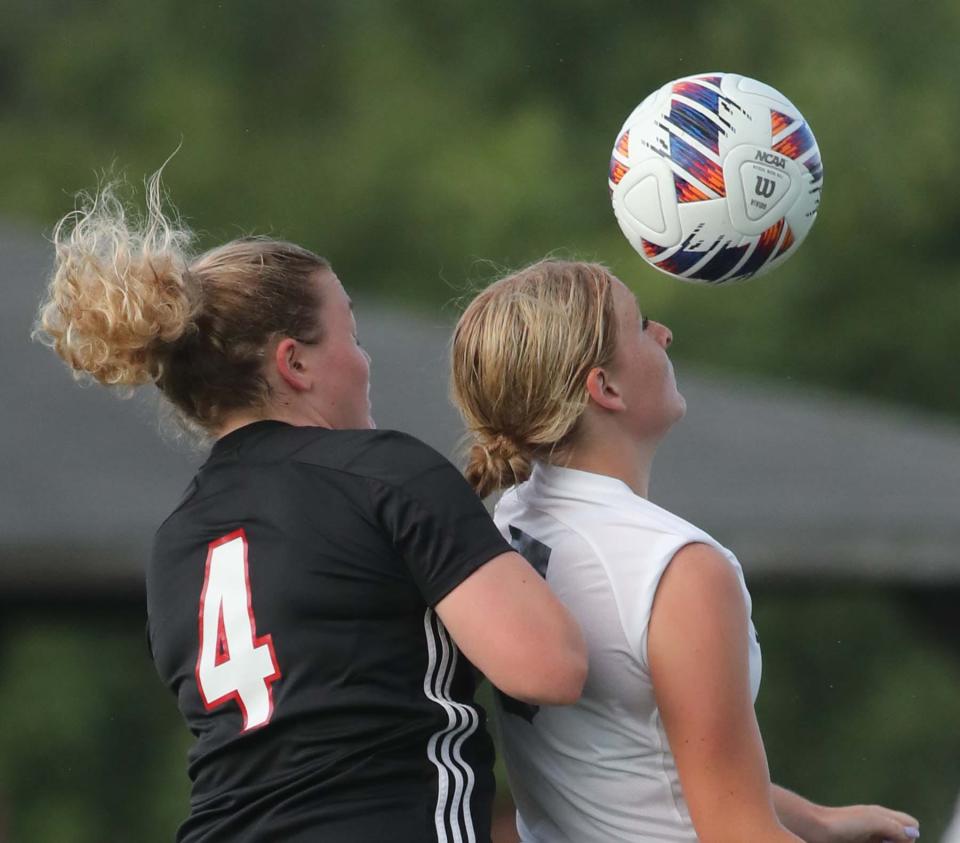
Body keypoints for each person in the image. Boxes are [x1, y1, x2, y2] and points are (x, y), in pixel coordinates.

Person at [35, 175, 587, 843]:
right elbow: (548, 667)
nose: (364, 359)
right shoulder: (385, 473)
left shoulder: (174, 543)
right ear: (293, 362)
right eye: (349, 332)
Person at [449, 259, 920, 843]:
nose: (663, 333)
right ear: (606, 388)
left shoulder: (514, 516)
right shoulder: (677, 569)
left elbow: (642, 760)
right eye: (640, 324)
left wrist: (819, 822)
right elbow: (736, 832)